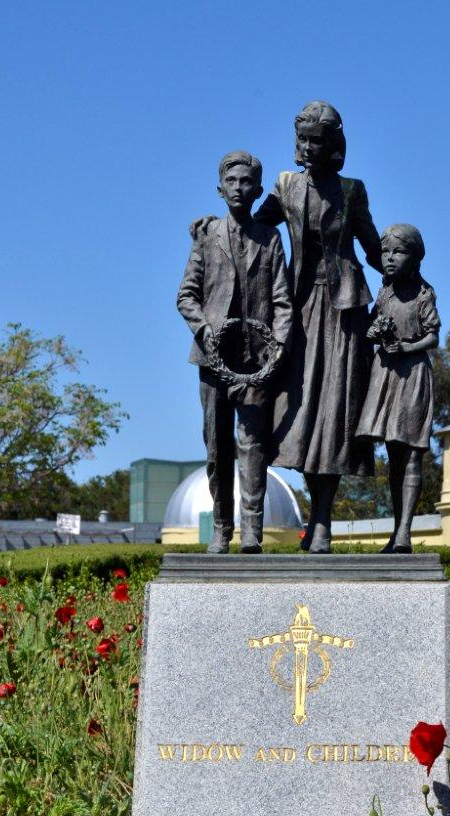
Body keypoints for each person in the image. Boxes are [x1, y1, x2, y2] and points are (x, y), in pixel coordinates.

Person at [253, 101, 382, 553]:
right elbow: (252, 224)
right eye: (303, 140)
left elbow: (373, 247)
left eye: (317, 141)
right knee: (299, 414)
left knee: (334, 416)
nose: (308, 148)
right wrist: (212, 226)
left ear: (334, 146)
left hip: (344, 313)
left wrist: (408, 276)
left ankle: (323, 522)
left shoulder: (352, 191)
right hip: (298, 310)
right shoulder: (286, 186)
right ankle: (313, 516)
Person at [177, 151, 292, 554]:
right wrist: (205, 331)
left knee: (252, 444)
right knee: (216, 446)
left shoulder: (270, 239)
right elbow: (186, 296)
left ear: (258, 190)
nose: (239, 188)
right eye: (233, 182)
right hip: (212, 361)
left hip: (255, 362)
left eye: (247, 182)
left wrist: (276, 348)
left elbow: (282, 301)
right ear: (220, 188)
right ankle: (221, 528)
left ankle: (253, 532)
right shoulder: (206, 237)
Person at [356, 224, 440, 553]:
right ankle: (396, 530)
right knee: (393, 455)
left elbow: (433, 335)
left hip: (412, 376)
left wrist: (405, 348)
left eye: (399, 252)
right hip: (386, 376)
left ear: (415, 258)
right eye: (386, 252)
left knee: (412, 456)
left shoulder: (423, 295)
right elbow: (369, 329)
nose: (390, 259)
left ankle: (405, 530)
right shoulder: (384, 293)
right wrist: (376, 331)